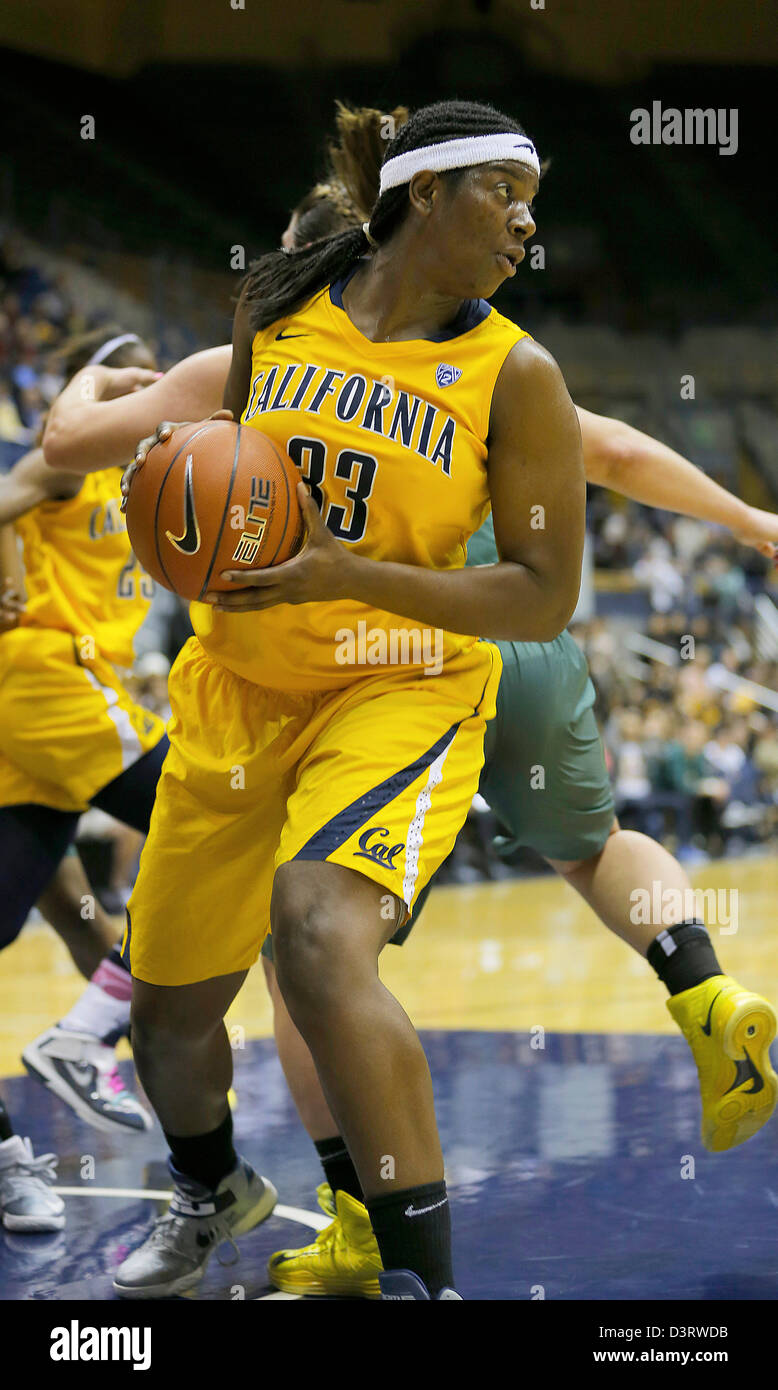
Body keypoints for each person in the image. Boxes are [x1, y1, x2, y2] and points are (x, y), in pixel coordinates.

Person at [42, 104, 778, 1297]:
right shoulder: (271, 318)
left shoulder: (513, 372)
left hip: (408, 674)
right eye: (507, 191)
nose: (530, 222)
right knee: (170, 1020)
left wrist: (345, 572)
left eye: (534, 197)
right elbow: (152, 459)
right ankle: (214, 1192)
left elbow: (544, 598)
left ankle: (416, 1274)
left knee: (318, 932)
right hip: (238, 690)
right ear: (422, 196)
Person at [0, 326, 173, 1207]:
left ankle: (8, 1152)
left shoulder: (140, 470)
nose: (142, 386)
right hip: (51, 690)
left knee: (76, 927)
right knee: (224, 830)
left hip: (43, 716)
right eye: (119, 376)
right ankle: (88, 1042)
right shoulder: (64, 460)